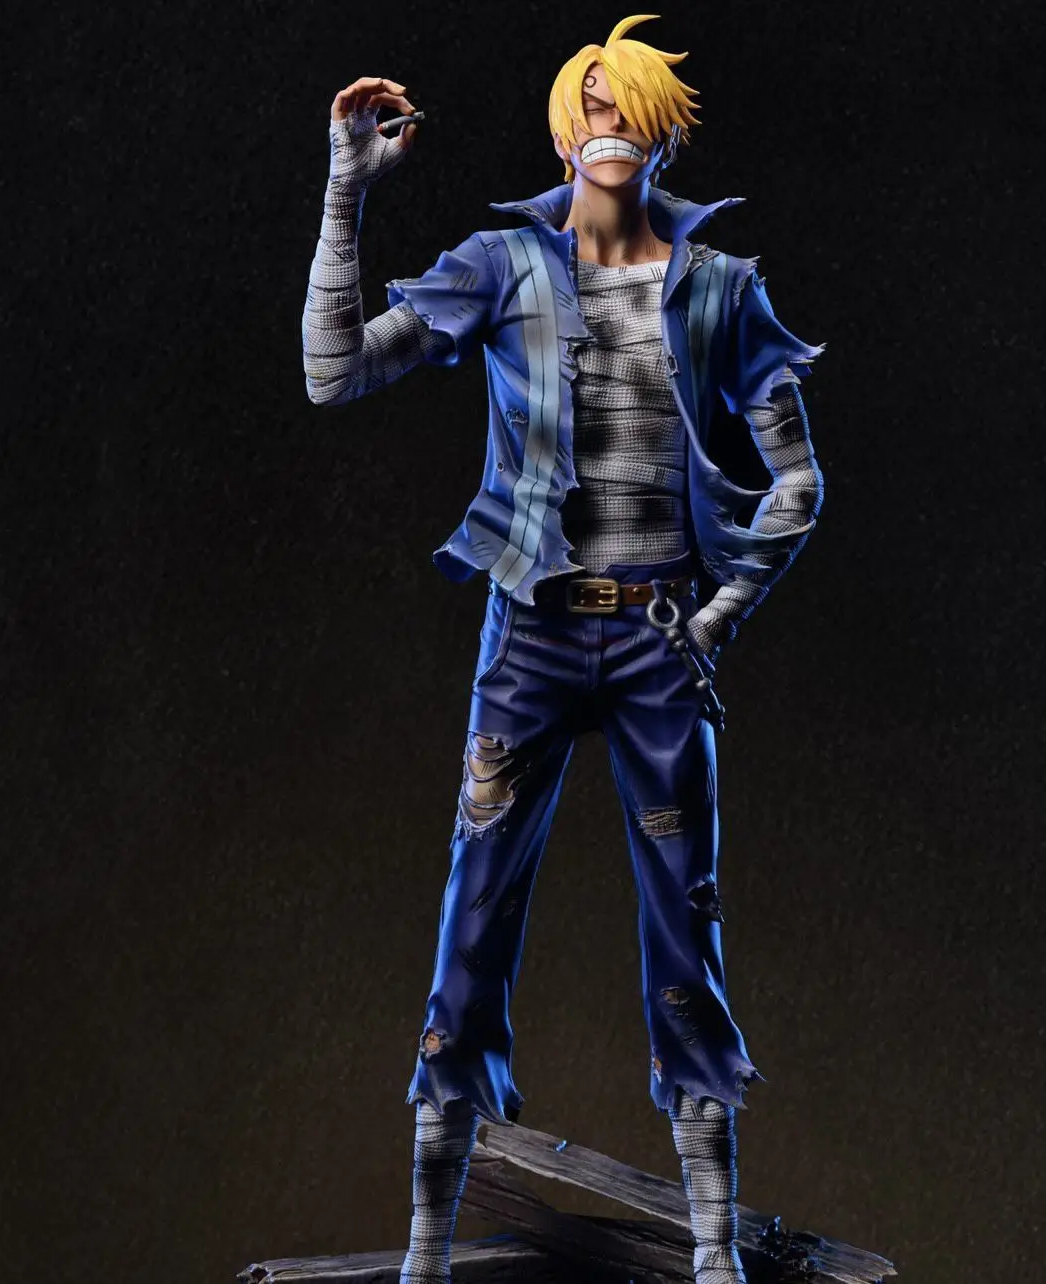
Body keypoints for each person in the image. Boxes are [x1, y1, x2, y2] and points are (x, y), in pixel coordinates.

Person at [300, 16, 824, 1283]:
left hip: (658, 643)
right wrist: (345, 190)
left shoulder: (719, 288)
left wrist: (717, 616)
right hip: (530, 633)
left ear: (663, 131)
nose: (607, 119)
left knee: (687, 931)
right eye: (588, 102)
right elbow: (332, 373)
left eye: (627, 102)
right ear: (558, 130)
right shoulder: (502, 266)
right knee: (472, 919)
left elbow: (801, 482)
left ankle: (714, 1251)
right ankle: (426, 1252)